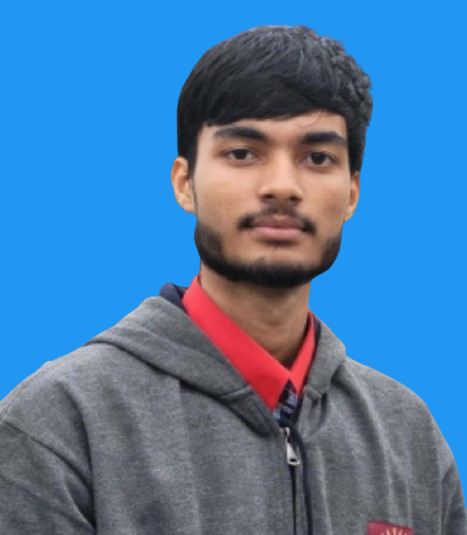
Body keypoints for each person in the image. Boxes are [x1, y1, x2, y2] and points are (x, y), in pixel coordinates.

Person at [0, 25, 465, 535]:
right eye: (243, 152)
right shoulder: (60, 421)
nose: (282, 186)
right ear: (185, 183)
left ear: (352, 192)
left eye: (317, 158)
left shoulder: (408, 434)